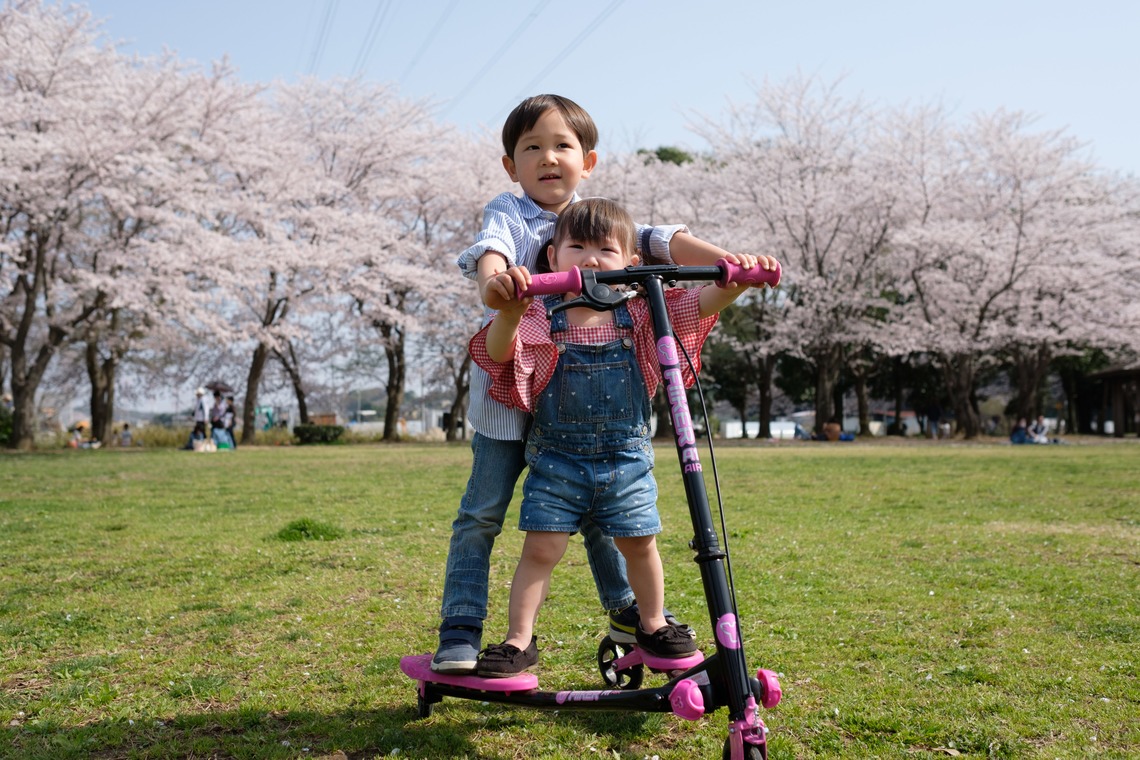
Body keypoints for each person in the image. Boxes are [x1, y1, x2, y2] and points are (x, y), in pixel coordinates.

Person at [433, 93, 776, 674]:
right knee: (483, 513)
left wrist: (730, 265)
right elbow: (492, 257)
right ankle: (462, 626)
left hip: (590, 428)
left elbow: (661, 242)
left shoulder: (597, 224)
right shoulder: (512, 215)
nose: (548, 157)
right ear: (511, 165)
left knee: (605, 514)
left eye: (562, 146)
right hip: (511, 380)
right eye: (532, 148)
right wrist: (499, 288)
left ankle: (632, 614)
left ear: (586, 161)